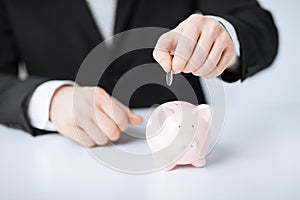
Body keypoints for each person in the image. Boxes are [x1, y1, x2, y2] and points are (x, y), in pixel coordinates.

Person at [0, 0, 278, 147]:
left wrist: (226, 34)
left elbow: (257, 25)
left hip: (188, 165)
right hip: (60, 159)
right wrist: (50, 100)